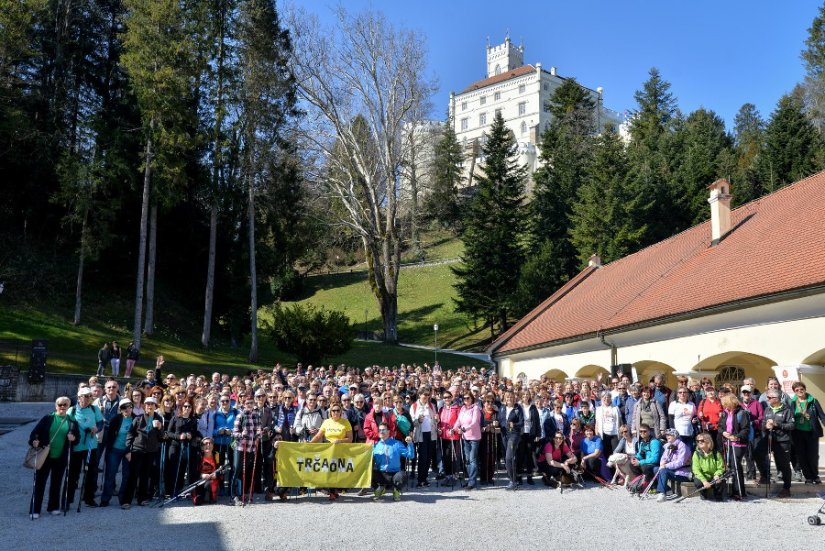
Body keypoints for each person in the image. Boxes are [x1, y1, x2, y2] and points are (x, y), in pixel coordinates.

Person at [27, 397, 79, 518]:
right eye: (60, 404)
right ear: (56, 406)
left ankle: (53, 507)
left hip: (61, 456)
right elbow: (35, 433)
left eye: (65, 405)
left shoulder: (72, 421)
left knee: (57, 483)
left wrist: (74, 438)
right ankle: (35, 509)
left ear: (68, 406)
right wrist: (34, 441)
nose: (62, 407)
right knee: (39, 483)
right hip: (45, 455)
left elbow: (77, 438)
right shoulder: (48, 418)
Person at [121, 396, 164, 509]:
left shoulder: (159, 418)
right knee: (133, 476)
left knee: (145, 476)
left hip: (150, 451)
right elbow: (130, 434)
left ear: (155, 406)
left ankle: (142, 499)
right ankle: (126, 500)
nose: (149, 406)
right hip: (137, 450)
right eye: (147, 404)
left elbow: (162, 437)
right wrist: (128, 450)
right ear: (144, 406)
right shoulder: (138, 418)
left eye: (152, 404)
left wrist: (160, 428)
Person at [66, 387, 103, 508]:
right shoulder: (71, 410)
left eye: (89, 396)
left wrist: (97, 428)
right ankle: (68, 499)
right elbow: (66, 425)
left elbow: (100, 422)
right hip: (76, 446)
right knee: (73, 474)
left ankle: (89, 498)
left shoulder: (94, 408)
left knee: (91, 473)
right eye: (85, 396)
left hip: (91, 446)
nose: (87, 399)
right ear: (79, 397)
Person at [311, 403, 352, 501]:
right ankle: (332, 492)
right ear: (330, 412)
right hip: (328, 450)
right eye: (334, 410)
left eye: (338, 410)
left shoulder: (345, 422)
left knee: (337, 470)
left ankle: (334, 491)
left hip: (341, 450)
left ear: (341, 412)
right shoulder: (326, 422)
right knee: (329, 470)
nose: (336, 412)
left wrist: (340, 441)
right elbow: (318, 436)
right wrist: (308, 444)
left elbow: (350, 438)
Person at [789, 381, 825, 484]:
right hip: (797, 433)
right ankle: (808, 477)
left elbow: (822, 416)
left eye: (801, 389)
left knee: (812, 456)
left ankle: (815, 476)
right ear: (794, 392)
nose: (800, 391)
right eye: (797, 390)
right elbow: (790, 417)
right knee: (801, 456)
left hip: (812, 432)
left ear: (805, 389)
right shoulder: (792, 402)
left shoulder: (813, 401)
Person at [100, 398, 133, 507]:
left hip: (128, 451)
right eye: (124, 407)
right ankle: (105, 499)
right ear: (120, 409)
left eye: (129, 406)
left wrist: (131, 451)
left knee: (126, 475)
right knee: (110, 474)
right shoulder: (116, 419)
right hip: (115, 449)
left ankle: (123, 500)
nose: (127, 409)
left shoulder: (136, 419)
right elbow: (109, 436)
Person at [762, 389, 794, 498]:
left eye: (770, 397)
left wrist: (777, 424)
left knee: (784, 465)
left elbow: (791, 426)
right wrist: (765, 426)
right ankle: (764, 477)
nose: (768, 399)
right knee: (758, 454)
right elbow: (762, 423)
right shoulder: (767, 409)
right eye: (768, 397)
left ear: (776, 399)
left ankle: (786, 488)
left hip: (783, 441)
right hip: (770, 439)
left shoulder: (786, 410)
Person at [372, 422, 415, 502]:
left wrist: (410, 444)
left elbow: (410, 455)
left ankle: (396, 490)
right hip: (381, 473)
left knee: (402, 475)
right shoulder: (375, 446)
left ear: (388, 431)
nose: (381, 432)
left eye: (384, 430)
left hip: (394, 474)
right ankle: (380, 488)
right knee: (370, 472)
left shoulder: (397, 444)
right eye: (380, 430)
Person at [717, 394, 749, 500]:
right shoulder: (725, 413)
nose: (724, 406)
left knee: (736, 466)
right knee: (730, 466)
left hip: (739, 443)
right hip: (728, 443)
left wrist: (736, 437)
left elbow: (745, 429)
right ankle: (732, 490)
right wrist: (724, 432)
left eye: (726, 404)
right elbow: (720, 426)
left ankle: (739, 491)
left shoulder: (741, 413)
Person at [166, 398, 200, 496]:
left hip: (187, 447)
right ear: (182, 407)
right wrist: (178, 436)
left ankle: (181, 490)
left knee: (184, 468)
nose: (187, 408)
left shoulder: (193, 420)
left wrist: (191, 435)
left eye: (189, 406)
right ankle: (171, 491)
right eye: (185, 406)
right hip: (175, 446)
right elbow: (168, 432)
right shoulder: (175, 418)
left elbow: (195, 432)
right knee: (174, 468)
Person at [232, 396, 262, 505]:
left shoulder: (256, 416)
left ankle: (244, 493)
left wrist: (259, 434)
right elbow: (234, 433)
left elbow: (259, 429)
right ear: (244, 404)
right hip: (241, 447)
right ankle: (234, 495)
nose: (249, 405)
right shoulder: (240, 416)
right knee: (237, 471)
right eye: (247, 403)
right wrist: (241, 435)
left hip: (251, 448)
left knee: (248, 471)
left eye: (251, 403)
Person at [453, 391, 482, 490]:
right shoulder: (463, 409)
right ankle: (470, 479)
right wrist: (454, 429)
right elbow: (459, 421)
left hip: (474, 437)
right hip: (465, 437)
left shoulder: (476, 408)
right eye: (464, 398)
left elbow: (474, 422)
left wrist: (465, 429)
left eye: (468, 398)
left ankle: (472, 481)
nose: (466, 400)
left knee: (473, 459)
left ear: (472, 398)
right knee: (468, 460)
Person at [654, 428, 692, 501]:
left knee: (664, 470)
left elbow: (680, 462)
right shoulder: (668, 445)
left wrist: (666, 466)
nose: (667, 436)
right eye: (666, 435)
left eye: (670, 434)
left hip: (683, 473)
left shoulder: (683, 446)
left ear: (675, 436)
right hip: (673, 471)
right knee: (656, 469)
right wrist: (662, 462)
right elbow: (664, 457)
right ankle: (667, 490)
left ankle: (662, 493)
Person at [410, 388, 438, 487]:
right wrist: (418, 421)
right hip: (420, 435)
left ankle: (425, 478)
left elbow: (435, 419)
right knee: (422, 457)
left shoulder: (431, 405)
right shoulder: (414, 406)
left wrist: (437, 419)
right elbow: (412, 422)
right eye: (425, 395)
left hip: (431, 434)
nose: (427, 397)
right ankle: (420, 480)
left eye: (428, 395)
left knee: (429, 458)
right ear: (420, 395)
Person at [498, 390, 524, 490]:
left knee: (509, 457)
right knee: (507, 457)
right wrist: (496, 423)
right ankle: (513, 478)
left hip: (514, 435)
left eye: (511, 397)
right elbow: (500, 420)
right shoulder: (502, 408)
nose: (509, 399)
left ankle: (513, 481)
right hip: (504, 434)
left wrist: (515, 425)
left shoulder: (518, 409)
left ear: (514, 398)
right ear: (505, 398)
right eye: (508, 397)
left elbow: (522, 423)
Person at [691, 432, 727, 501]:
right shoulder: (696, 454)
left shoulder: (716, 453)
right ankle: (703, 494)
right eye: (698, 441)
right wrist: (704, 481)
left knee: (720, 479)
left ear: (708, 441)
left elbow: (721, 467)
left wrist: (717, 475)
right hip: (703, 476)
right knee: (697, 481)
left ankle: (718, 495)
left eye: (702, 441)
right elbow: (696, 470)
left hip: (714, 476)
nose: (699, 442)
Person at [438, 390, 462, 485]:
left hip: (453, 435)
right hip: (444, 436)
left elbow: (460, 421)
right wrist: (438, 428)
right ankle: (448, 476)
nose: (447, 399)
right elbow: (439, 422)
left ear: (452, 397)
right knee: (446, 456)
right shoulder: (441, 409)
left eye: (448, 397)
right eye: (445, 397)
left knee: (454, 456)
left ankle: (454, 475)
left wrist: (454, 429)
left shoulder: (457, 408)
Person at [668, 386, 698, 451]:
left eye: (684, 392)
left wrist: (694, 420)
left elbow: (694, 416)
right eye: (680, 392)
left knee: (689, 453)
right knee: (680, 452)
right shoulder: (673, 404)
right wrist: (673, 433)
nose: (682, 394)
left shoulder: (692, 404)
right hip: (678, 433)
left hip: (689, 432)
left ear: (687, 394)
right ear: (677, 394)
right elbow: (670, 419)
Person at [193, 437, 221, 505]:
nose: (208, 445)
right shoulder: (198, 456)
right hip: (201, 480)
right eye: (206, 444)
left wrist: (216, 475)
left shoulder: (217, 455)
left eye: (210, 443)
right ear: (202, 447)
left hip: (213, 481)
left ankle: (209, 496)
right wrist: (201, 475)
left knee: (208, 484)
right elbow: (193, 472)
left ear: (213, 446)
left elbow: (221, 469)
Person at [595, 391, 621, 458]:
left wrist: (622, 433)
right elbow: (597, 423)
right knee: (607, 453)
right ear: (601, 398)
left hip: (615, 433)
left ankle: (616, 468)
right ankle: (609, 468)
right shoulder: (598, 409)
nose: (606, 399)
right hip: (604, 434)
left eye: (608, 397)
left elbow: (620, 421)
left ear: (610, 398)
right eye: (604, 397)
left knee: (616, 453)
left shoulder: (616, 408)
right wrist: (597, 435)